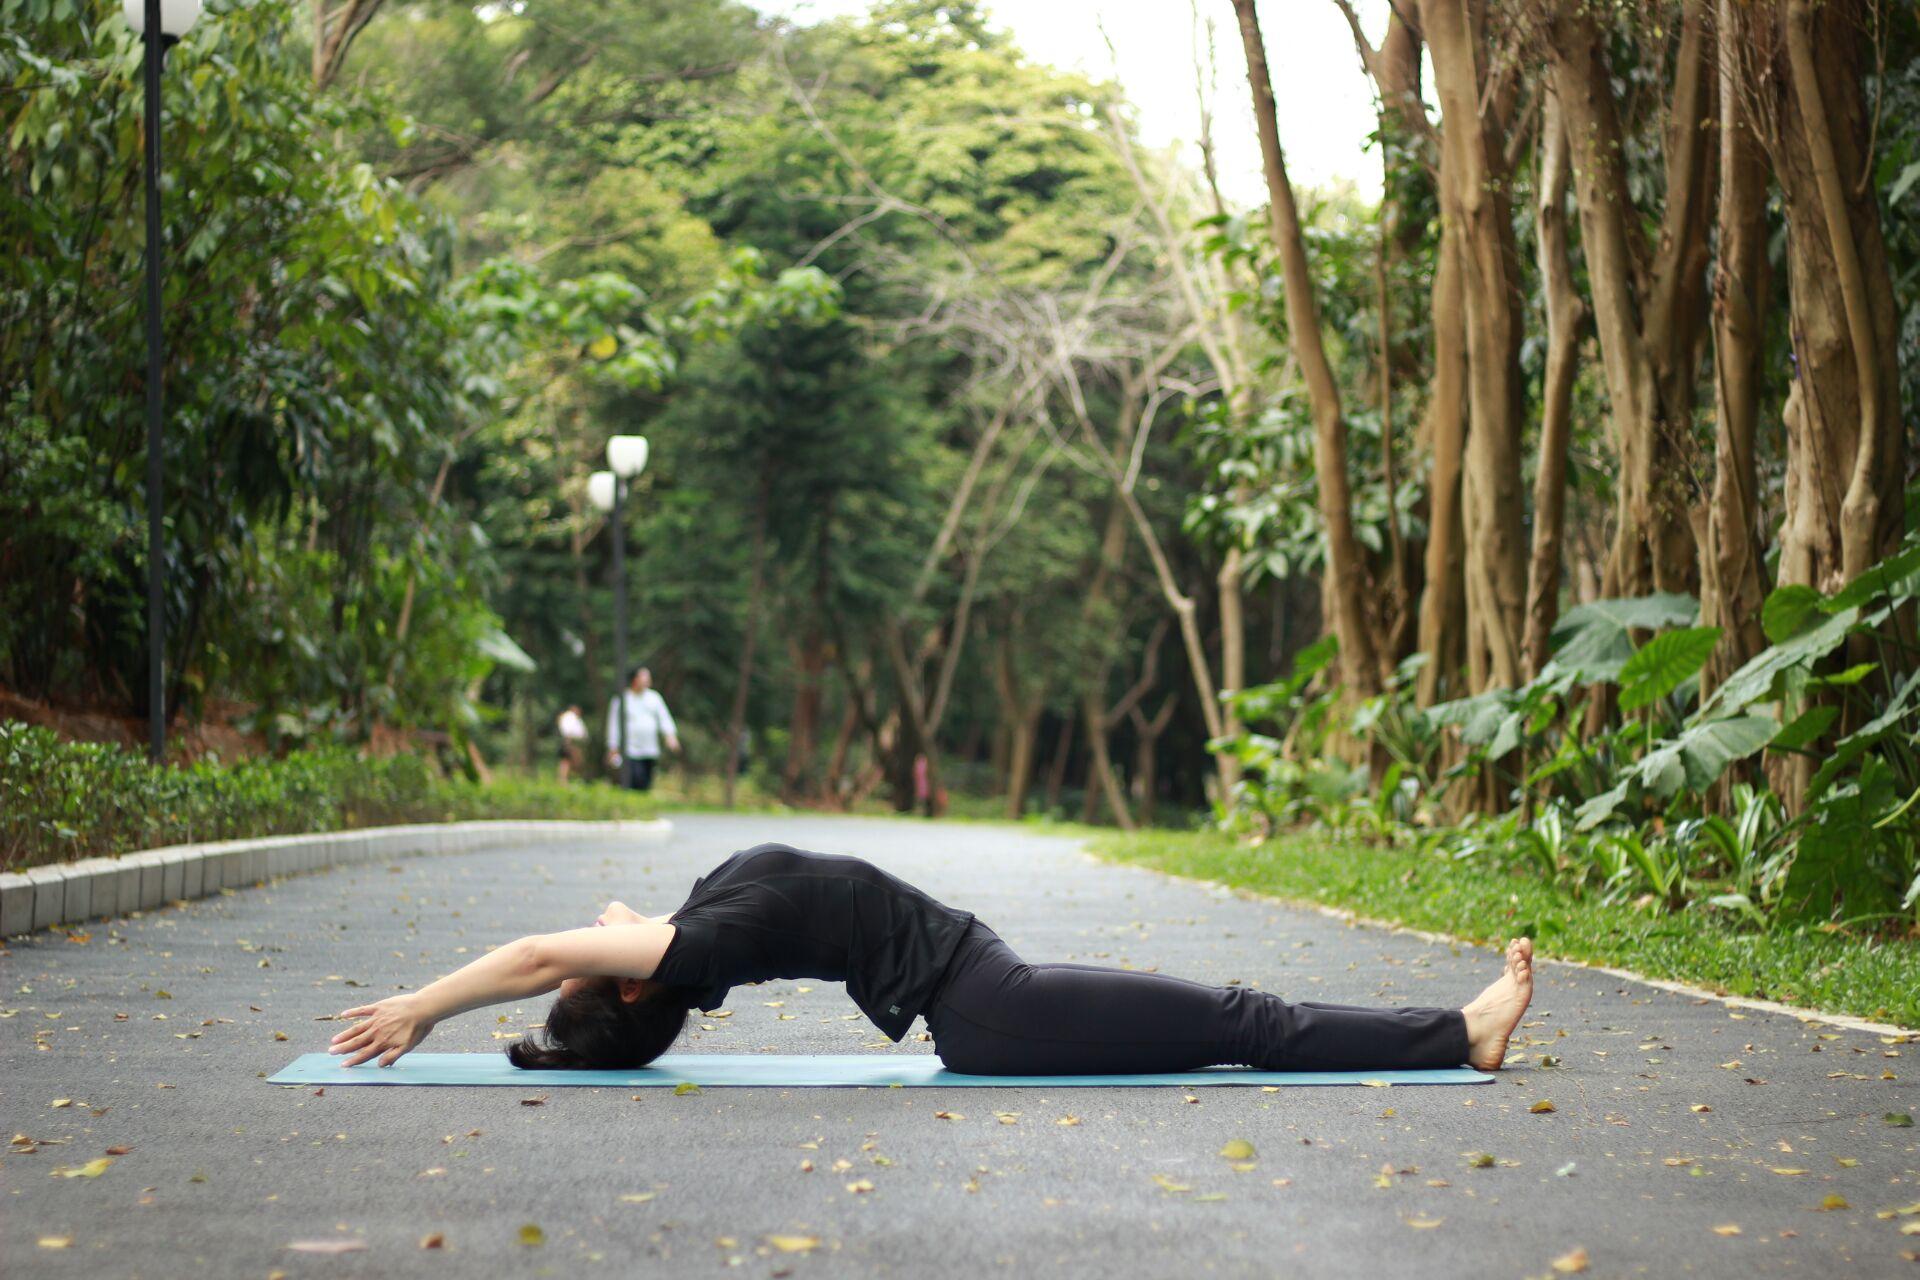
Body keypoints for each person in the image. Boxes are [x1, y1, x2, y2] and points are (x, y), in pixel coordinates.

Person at [328, 844, 1534, 1077]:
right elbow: (546, 951)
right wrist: (428, 1007)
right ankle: (1458, 1031)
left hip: (984, 979)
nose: (592, 939)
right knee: (1239, 1018)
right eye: (600, 966)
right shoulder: (697, 944)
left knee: (1232, 1017)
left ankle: (1453, 1029)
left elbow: (584, 929)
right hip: (988, 1007)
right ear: (634, 982)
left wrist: (553, 1024)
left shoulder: (686, 934)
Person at [605, 665, 679, 791]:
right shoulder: (622, 700)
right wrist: (613, 746)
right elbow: (613, 724)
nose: (647, 680)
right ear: (635, 679)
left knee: (645, 781)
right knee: (634, 778)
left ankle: (642, 804)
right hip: (629, 749)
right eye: (644, 676)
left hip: (649, 749)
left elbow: (664, 718)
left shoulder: (654, 698)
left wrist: (670, 736)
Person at [555, 704, 588, 784]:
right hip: (571, 742)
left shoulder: (573, 717)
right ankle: (564, 780)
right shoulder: (570, 716)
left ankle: (566, 780)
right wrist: (569, 743)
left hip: (573, 742)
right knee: (567, 761)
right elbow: (568, 730)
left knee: (570, 762)